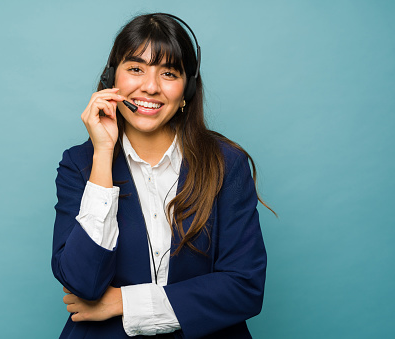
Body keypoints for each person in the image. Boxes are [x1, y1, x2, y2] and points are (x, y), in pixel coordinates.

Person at [52, 13, 272, 339]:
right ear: (112, 78)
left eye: (168, 73)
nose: (151, 87)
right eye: (136, 69)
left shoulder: (226, 164)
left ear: (187, 90)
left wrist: (125, 302)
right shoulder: (78, 164)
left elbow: (244, 286)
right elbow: (83, 283)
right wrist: (102, 156)